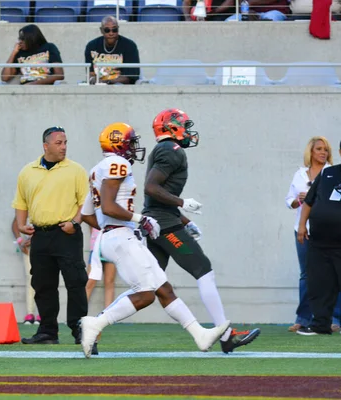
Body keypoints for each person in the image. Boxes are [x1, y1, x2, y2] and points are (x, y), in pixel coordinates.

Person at [79, 122, 230, 358]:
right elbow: (108, 206)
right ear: (118, 143)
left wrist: (113, 227)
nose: (134, 147)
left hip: (118, 235)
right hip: (122, 236)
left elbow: (86, 214)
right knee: (146, 294)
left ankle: (200, 334)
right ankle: (96, 324)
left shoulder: (97, 169)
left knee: (164, 289)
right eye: (130, 142)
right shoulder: (117, 164)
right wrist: (138, 220)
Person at [143, 108, 261, 354]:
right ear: (171, 127)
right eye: (183, 124)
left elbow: (156, 197)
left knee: (146, 287)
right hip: (164, 225)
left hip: (161, 222)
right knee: (203, 270)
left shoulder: (165, 150)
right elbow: (151, 188)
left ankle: (98, 323)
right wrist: (181, 203)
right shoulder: (171, 150)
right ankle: (226, 334)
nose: (187, 130)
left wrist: (184, 219)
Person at [12, 126, 88, 345]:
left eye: (65, 142)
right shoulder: (28, 171)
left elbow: (86, 202)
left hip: (67, 234)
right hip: (40, 235)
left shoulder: (76, 170)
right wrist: (20, 225)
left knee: (75, 282)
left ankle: (79, 329)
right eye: (59, 143)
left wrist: (75, 222)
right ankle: (47, 331)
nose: (63, 147)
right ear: (46, 146)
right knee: (43, 284)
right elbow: (21, 202)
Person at [286, 136, 341, 333]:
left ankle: (335, 319)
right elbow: (296, 201)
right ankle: (307, 320)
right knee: (310, 276)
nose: (323, 152)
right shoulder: (309, 175)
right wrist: (301, 216)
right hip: (310, 233)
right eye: (318, 149)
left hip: (333, 237)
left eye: (325, 149)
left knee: (334, 277)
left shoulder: (330, 172)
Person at [84, 16, 140, 85]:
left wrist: (107, 81)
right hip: (98, 85)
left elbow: (130, 77)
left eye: (114, 30)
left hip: (121, 86)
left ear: (118, 29)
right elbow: (90, 73)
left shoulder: (129, 46)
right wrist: (93, 79)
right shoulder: (91, 46)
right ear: (101, 30)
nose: (111, 33)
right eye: (107, 30)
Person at [11, 216, 40, 324]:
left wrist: (35, 239)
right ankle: (30, 313)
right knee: (30, 278)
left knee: (44, 279)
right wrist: (20, 241)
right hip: (27, 249)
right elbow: (15, 225)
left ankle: (43, 313)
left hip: (44, 247)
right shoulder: (24, 207)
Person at [86, 227, 116, 309]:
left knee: (109, 281)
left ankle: (108, 316)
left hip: (112, 245)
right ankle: (79, 314)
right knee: (90, 281)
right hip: (96, 245)